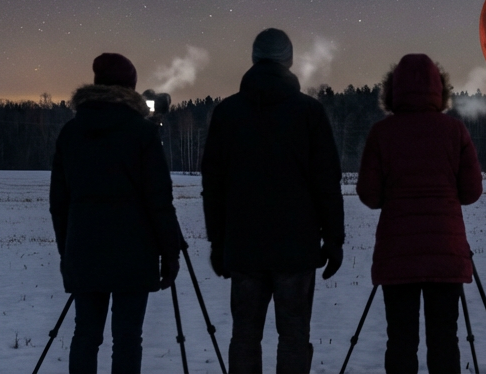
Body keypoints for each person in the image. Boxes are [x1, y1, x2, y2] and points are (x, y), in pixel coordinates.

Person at [201, 28, 345, 374]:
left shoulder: (228, 113)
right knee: (294, 336)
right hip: (296, 248)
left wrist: (218, 242)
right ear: (289, 61)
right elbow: (326, 181)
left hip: (244, 245)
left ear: (254, 59)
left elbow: (214, 184)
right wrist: (334, 239)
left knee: (245, 336)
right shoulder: (309, 112)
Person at [50, 52, 183, 374]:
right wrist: (170, 253)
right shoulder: (142, 133)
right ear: (130, 88)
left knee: (85, 335)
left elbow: (59, 201)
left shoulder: (71, 132)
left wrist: (67, 250)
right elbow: (158, 198)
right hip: (134, 253)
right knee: (127, 337)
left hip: (84, 249)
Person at [357, 53, 483, 374]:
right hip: (446, 254)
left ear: (392, 91)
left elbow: (369, 195)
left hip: (398, 253)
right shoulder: (455, 132)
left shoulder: (381, 134)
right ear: (439, 90)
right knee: (444, 341)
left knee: (400, 341)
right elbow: (471, 192)